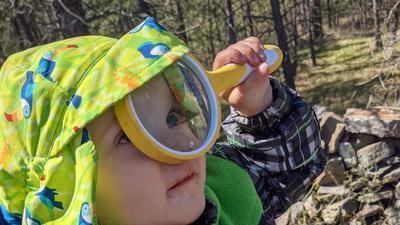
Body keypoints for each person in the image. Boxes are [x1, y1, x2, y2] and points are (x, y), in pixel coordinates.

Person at [0, 17, 326, 225]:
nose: (181, 145)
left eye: (173, 116)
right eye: (128, 136)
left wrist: (258, 109)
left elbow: (289, 167)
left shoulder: (220, 194)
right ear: (67, 186)